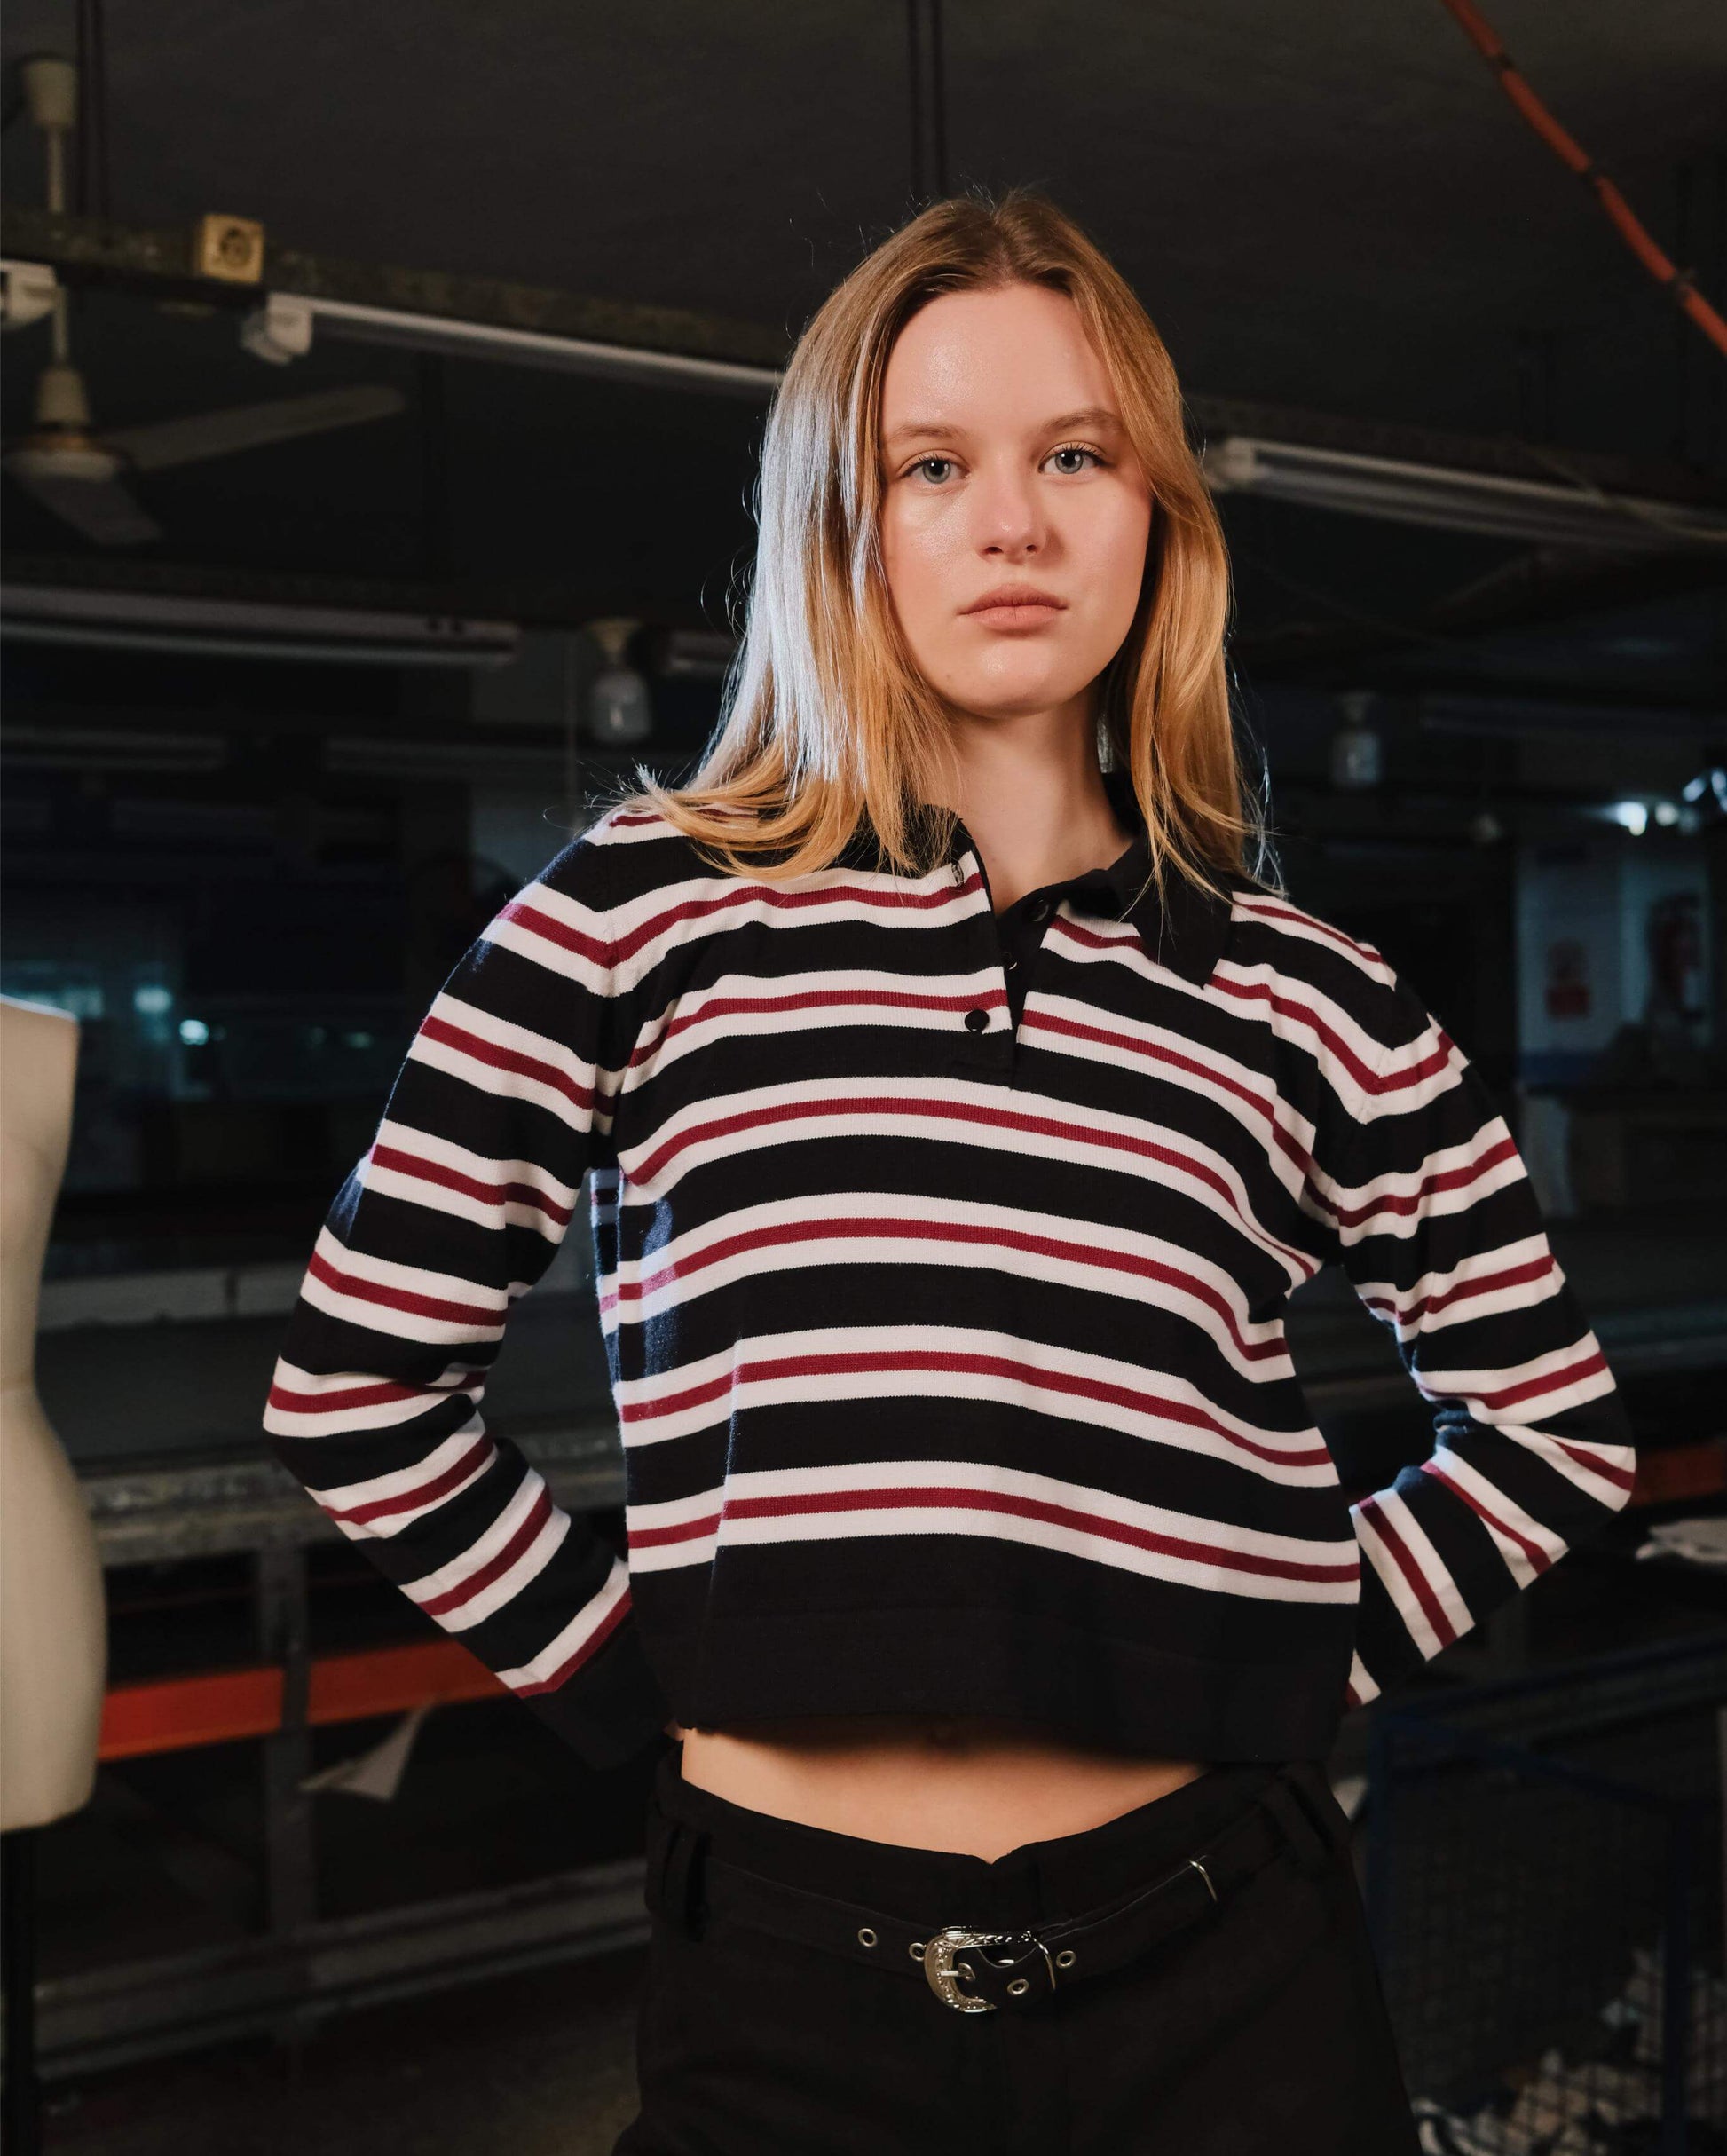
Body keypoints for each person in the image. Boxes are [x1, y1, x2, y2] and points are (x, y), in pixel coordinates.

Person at [263, 191, 1636, 2153]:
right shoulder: (638, 912)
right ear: (844, 521)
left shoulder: (1303, 992)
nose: (1015, 525)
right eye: (934, 465)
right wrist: (633, 1673)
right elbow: (356, 1384)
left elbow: (1552, 1424)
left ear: (1156, 513)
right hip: (790, 1972)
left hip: (1229, 1960)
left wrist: (1297, 1646)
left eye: (1076, 455)